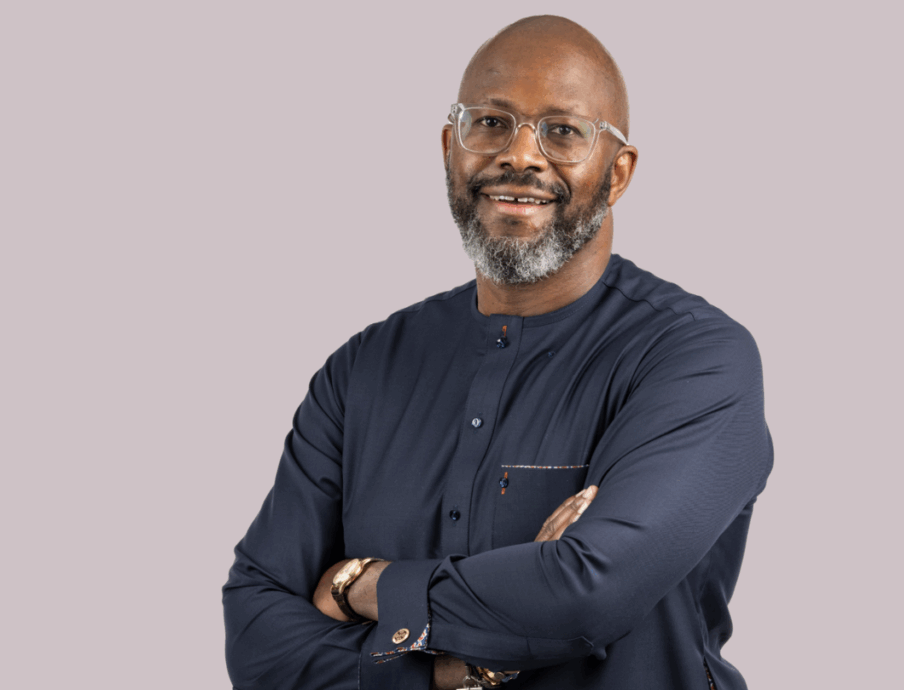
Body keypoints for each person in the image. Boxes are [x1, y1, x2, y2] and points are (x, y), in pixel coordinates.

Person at [223, 15, 772, 690]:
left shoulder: (694, 361)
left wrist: (361, 584)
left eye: (563, 131)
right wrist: (451, 674)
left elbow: (583, 596)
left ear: (618, 172)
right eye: (490, 123)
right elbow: (256, 638)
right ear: (449, 147)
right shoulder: (363, 370)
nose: (521, 156)